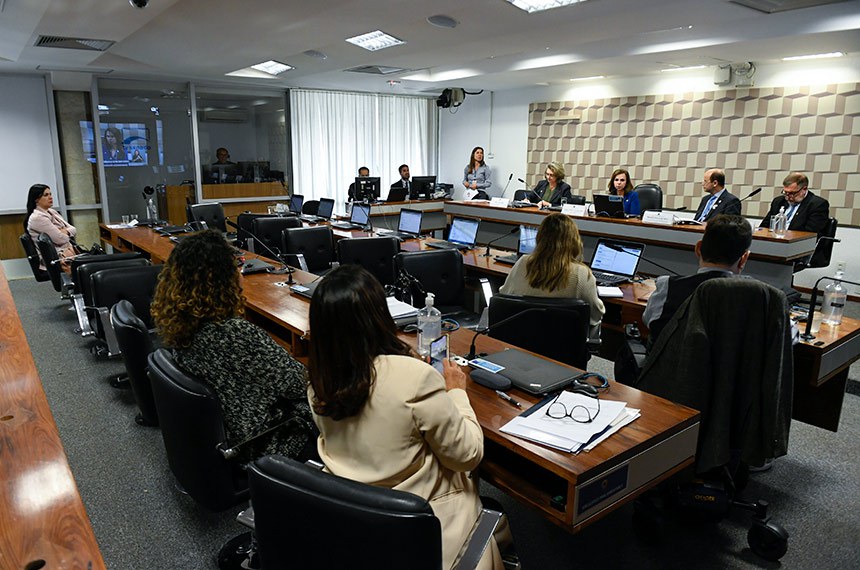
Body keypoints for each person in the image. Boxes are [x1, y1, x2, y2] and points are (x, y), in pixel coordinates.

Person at [306, 265, 510, 570]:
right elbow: (466, 455)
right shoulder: (414, 378)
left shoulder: (318, 384)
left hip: (355, 522)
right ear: (378, 316)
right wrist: (456, 391)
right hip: (421, 525)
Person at [150, 230, 316, 464]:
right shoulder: (235, 334)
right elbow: (300, 385)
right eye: (236, 266)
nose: (241, 272)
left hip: (235, 432)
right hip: (273, 441)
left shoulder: (183, 323)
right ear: (220, 279)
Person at [643, 214, 751, 346]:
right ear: (744, 258)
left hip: (671, 365)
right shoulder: (759, 298)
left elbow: (649, 321)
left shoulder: (667, 286)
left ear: (698, 248)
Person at [499, 213, 604, 336]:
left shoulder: (523, 263)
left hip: (521, 341)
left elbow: (504, 295)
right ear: (574, 240)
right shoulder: (581, 274)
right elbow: (595, 315)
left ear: (540, 237)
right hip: (563, 347)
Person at [24, 183, 77, 271]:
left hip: (68, 252)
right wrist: (63, 232)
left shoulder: (52, 212)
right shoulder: (38, 218)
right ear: (36, 199)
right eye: (46, 195)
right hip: (57, 258)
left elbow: (74, 229)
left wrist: (65, 231)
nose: (50, 197)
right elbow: (61, 239)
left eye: (50, 194)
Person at [759, 172, 830, 236]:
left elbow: (810, 234)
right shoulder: (778, 201)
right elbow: (764, 226)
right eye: (785, 192)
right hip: (774, 242)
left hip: (798, 244)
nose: (788, 196)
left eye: (792, 193)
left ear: (804, 189)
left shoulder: (817, 205)